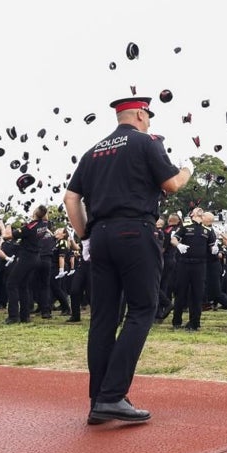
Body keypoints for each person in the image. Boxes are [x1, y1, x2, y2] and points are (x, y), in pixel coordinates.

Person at [64, 96, 190, 425]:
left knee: (103, 318)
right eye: (148, 114)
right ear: (138, 113)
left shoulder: (93, 151)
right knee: (143, 309)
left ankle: (98, 400)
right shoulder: (145, 142)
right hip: (134, 232)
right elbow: (172, 184)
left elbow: (70, 197)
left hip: (100, 236)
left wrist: (84, 236)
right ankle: (112, 396)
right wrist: (188, 169)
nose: (149, 119)